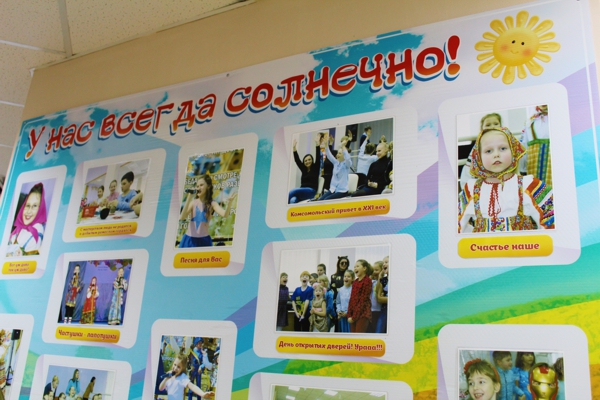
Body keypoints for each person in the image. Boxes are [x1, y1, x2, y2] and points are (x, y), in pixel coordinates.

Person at [458, 127, 554, 233]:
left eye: (503, 148)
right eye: (488, 151)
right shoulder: (471, 189)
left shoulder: (528, 185)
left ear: (513, 151)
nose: (496, 154)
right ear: (479, 157)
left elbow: (551, 216)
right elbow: (457, 223)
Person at [178, 174, 236, 248]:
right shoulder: (193, 202)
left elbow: (225, 214)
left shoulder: (212, 203)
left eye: (201, 185)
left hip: (204, 241)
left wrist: (229, 203)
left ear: (208, 186)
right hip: (189, 240)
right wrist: (189, 197)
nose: (199, 188)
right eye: (197, 186)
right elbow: (182, 217)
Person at [460, 113, 502, 190]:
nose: (492, 127)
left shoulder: (505, 140)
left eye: (496, 124)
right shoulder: (479, 144)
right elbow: (471, 164)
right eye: (488, 125)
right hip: (483, 178)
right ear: (482, 128)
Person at [6, 182, 47, 257]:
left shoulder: (36, 231)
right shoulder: (20, 228)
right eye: (27, 205)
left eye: (34, 206)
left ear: (40, 209)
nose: (29, 211)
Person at [520, 105, 551, 186]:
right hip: (534, 167)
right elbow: (524, 147)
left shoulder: (559, 119)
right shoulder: (530, 122)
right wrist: (523, 169)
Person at [317, 134, 352, 201]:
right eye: (338, 153)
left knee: (326, 200)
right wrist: (326, 144)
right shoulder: (336, 163)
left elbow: (348, 158)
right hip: (333, 189)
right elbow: (329, 155)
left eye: (340, 153)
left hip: (342, 191)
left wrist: (343, 146)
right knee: (320, 200)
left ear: (344, 155)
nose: (337, 154)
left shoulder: (347, 164)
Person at [289, 137, 320, 203]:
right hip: (302, 192)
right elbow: (297, 160)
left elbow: (318, 157)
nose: (307, 161)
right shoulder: (303, 169)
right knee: (293, 200)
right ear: (304, 163)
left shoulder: (315, 167)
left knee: (292, 192)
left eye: (309, 159)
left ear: (312, 160)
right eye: (305, 161)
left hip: (311, 191)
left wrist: (317, 144)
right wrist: (294, 148)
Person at [347, 259, 373, 333]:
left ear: (364, 268)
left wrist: (354, 317)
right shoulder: (355, 282)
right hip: (353, 314)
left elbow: (363, 301)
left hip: (363, 314)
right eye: (354, 267)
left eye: (357, 266)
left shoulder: (367, 281)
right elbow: (351, 299)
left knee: (358, 336)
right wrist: (349, 315)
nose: (355, 268)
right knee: (353, 337)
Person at [368, 261, 383, 333]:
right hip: (370, 309)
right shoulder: (372, 281)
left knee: (376, 328)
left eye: (376, 270)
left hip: (378, 309)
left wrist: (380, 277)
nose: (374, 272)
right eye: (373, 270)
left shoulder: (382, 282)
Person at [376, 256, 389, 333]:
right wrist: (380, 277)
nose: (383, 264)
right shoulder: (383, 280)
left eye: (386, 262)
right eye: (383, 262)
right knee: (379, 331)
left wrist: (385, 298)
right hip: (384, 310)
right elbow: (379, 298)